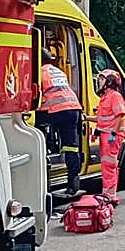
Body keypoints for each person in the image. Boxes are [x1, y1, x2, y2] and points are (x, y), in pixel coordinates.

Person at [37, 48, 82, 195]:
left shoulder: (39, 72)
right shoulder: (58, 71)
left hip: (56, 110)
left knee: (36, 133)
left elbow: (36, 95)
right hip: (73, 108)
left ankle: (43, 173)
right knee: (71, 147)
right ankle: (73, 182)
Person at [86, 69, 125, 204]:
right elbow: (102, 118)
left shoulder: (115, 96)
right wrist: (86, 118)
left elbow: (120, 115)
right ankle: (108, 193)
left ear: (109, 81)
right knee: (107, 165)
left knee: (109, 165)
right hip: (106, 134)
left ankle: (111, 195)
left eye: (102, 79)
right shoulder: (105, 97)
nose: (99, 81)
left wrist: (113, 134)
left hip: (111, 136)